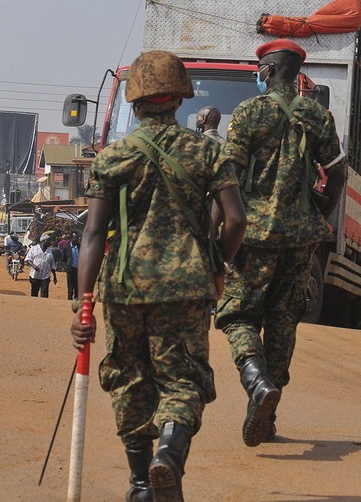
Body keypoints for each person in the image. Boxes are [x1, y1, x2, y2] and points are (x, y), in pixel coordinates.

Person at [70, 50, 246, 502]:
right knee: (182, 380)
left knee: (129, 379)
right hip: (187, 287)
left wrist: (84, 302)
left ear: (134, 104)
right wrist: (217, 266)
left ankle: (140, 483)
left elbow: (93, 234)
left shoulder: (113, 156)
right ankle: (168, 453)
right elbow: (236, 220)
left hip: (123, 288)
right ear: (179, 100)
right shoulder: (208, 150)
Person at [215, 38, 346, 448]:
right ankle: (268, 417)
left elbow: (227, 176)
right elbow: (337, 175)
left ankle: (256, 383)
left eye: (260, 70)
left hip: (251, 235)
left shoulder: (249, 112)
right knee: (284, 319)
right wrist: (315, 221)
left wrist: (215, 234)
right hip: (300, 239)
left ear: (269, 71)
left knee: (237, 315)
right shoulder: (317, 115)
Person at [62, 232, 80, 300]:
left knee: (77, 287)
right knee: (70, 287)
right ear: (71, 238)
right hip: (70, 269)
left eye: (77, 238)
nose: (77, 240)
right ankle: (69, 300)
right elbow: (62, 259)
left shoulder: (80, 247)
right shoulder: (66, 247)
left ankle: (76, 300)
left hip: (78, 270)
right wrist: (65, 267)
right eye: (75, 238)